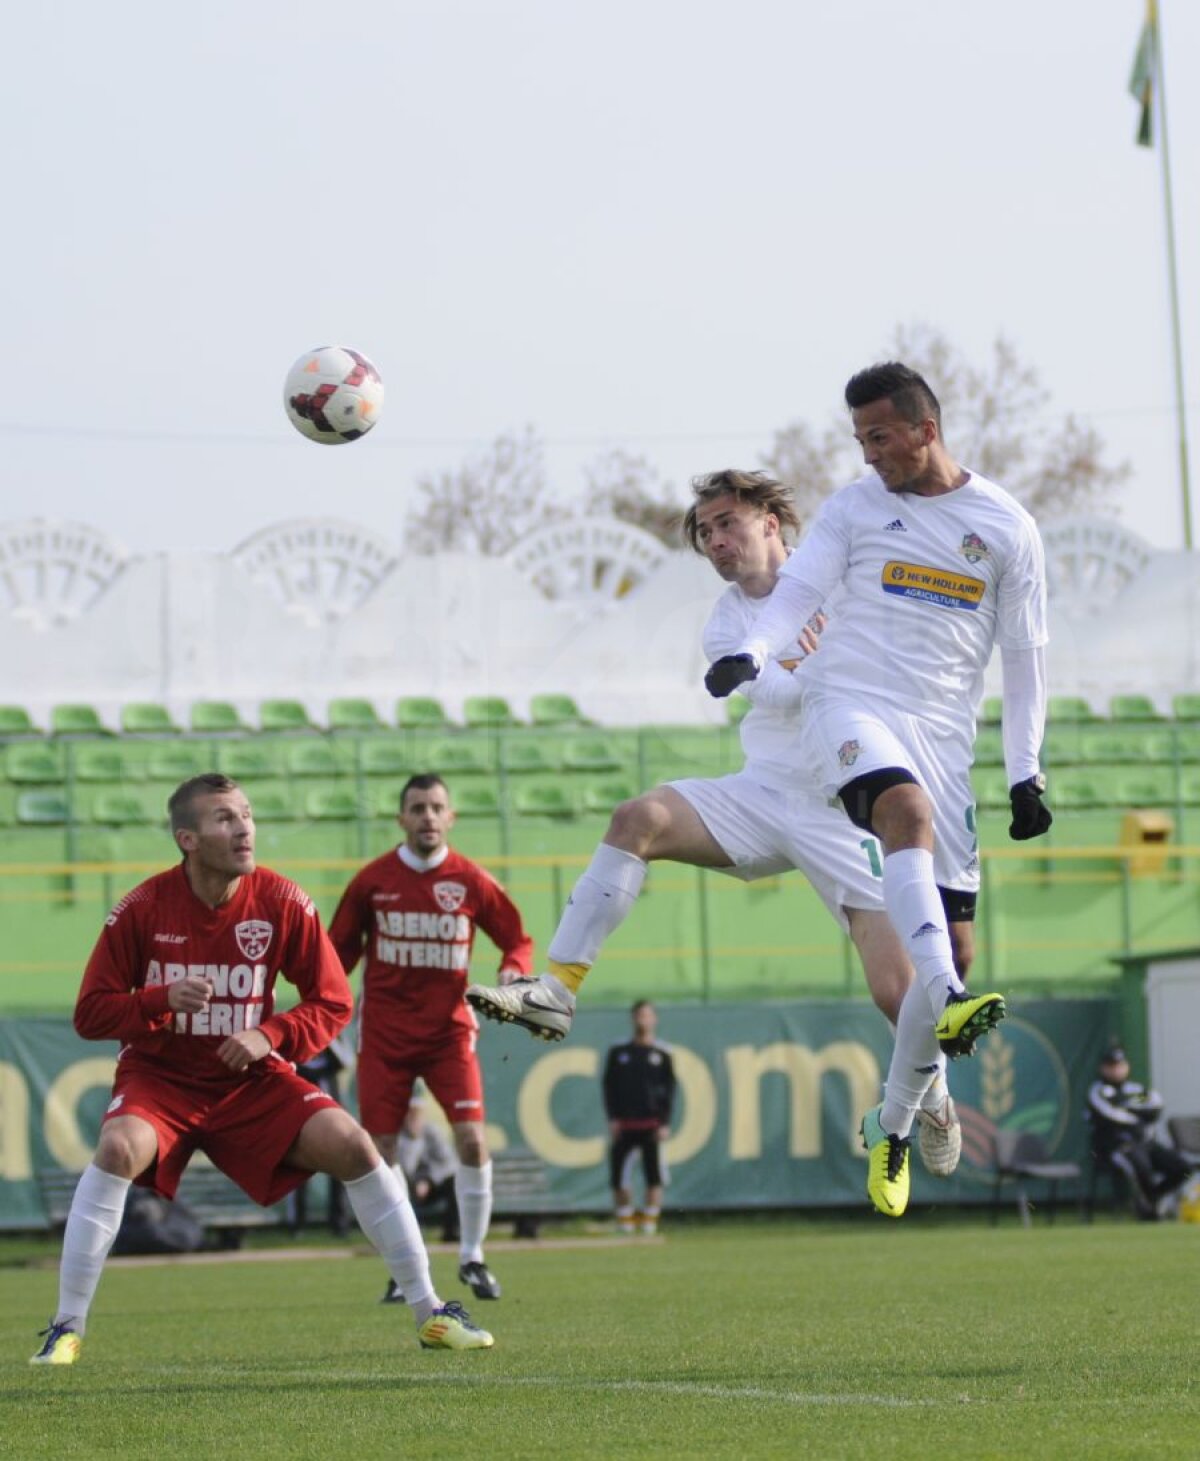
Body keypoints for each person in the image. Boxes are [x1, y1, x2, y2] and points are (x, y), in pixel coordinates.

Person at [468, 468, 966, 1200]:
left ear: (773, 522)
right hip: (762, 795)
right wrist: (762, 665)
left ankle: (939, 1097)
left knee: (901, 993)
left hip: (844, 804)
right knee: (636, 817)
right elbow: (783, 691)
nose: (716, 540)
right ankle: (557, 988)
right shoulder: (725, 622)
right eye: (706, 531)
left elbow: (845, 681)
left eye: (728, 522)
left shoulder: (838, 582)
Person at [701, 363, 1051, 1216]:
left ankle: (892, 1123)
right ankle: (955, 1004)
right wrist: (754, 649)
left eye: (880, 437)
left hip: (944, 733)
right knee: (904, 812)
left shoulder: (1005, 527)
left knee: (948, 949)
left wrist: (1025, 768)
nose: (868, 454)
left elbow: (1024, 659)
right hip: (849, 703)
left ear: (925, 430)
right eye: (859, 439)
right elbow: (801, 589)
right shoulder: (855, 508)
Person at [30, 774, 492, 1366]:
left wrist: (270, 1033)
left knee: (355, 1146)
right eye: (224, 818)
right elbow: (90, 1014)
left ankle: (430, 1311)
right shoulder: (141, 908)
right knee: (118, 1148)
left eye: (246, 814)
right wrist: (158, 1000)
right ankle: (66, 1328)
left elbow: (332, 1001)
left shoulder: (284, 901)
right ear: (188, 839)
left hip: (251, 1084)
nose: (244, 827)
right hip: (162, 1083)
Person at [329, 773, 533, 1302]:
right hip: (385, 1035)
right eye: (417, 807)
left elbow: (517, 939)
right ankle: (404, 1264)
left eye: (436, 806)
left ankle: (473, 1256)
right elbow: (335, 956)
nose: (427, 816)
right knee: (381, 1151)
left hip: (448, 1034)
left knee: (472, 1138)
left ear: (451, 817)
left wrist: (513, 969)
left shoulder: (470, 880)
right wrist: (314, 1006)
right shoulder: (373, 880)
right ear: (401, 819)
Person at [1086, 1043, 1195, 1219]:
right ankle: (1148, 1207)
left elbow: (1156, 1105)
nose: (1116, 1070)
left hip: (1145, 1143)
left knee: (1183, 1168)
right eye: (1111, 1066)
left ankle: (1153, 1198)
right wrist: (1138, 1117)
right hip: (1115, 1147)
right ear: (1103, 1068)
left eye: (1119, 1065)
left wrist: (1130, 1111)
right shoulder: (1099, 1091)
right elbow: (1110, 1116)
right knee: (1140, 1166)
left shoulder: (1135, 1090)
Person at [603, 1001, 676, 1235]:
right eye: (638, 1015)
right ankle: (625, 1224)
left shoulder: (663, 1053)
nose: (642, 1020)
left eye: (647, 1015)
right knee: (619, 1176)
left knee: (654, 1174)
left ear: (654, 1019)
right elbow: (609, 1087)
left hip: (652, 1125)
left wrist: (664, 1122)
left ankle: (649, 1224)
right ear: (632, 1018)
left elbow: (670, 1089)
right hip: (624, 1124)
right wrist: (613, 1118)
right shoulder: (619, 1052)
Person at [397, 1087, 460, 1243]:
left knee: (455, 1182)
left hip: (432, 1186)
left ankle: (453, 1231)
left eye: (416, 1112)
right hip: (407, 1187)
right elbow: (406, 1167)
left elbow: (448, 1162)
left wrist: (428, 1180)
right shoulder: (397, 1137)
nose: (413, 1117)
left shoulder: (432, 1132)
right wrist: (414, 1139)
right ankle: (406, 1236)